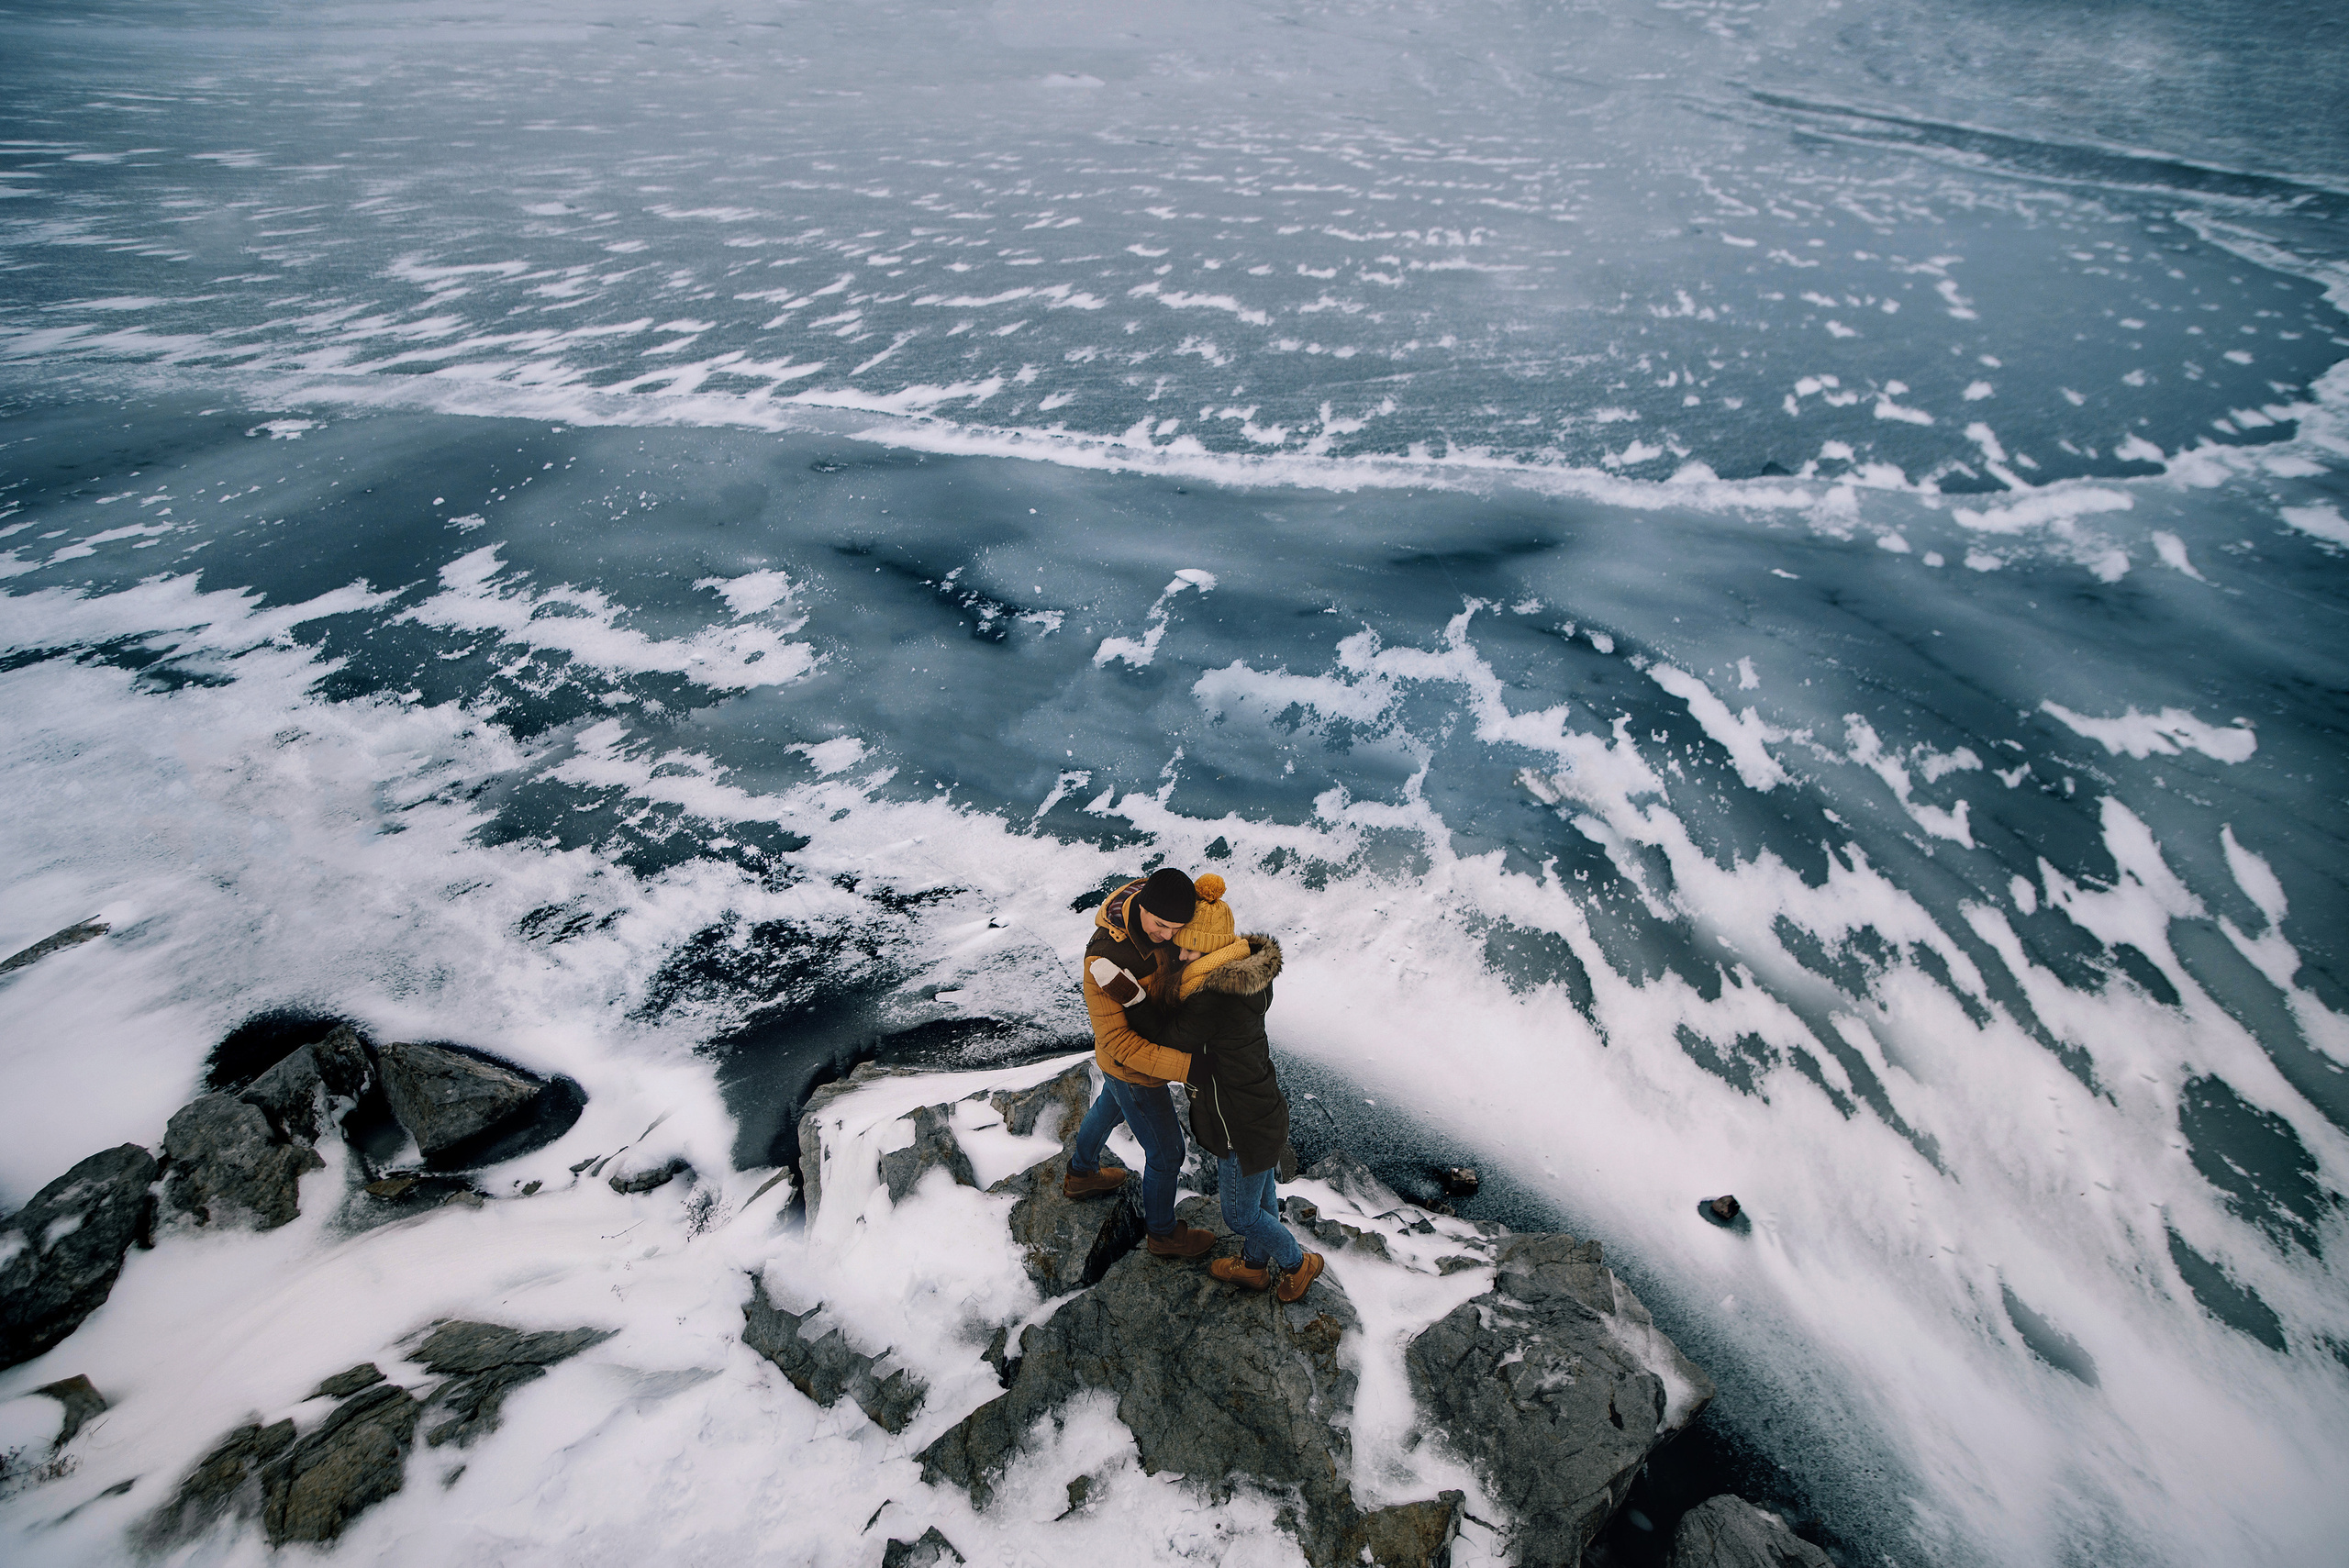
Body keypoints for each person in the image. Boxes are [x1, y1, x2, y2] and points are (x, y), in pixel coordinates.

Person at [1161, 876, 1324, 1302]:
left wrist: (1132, 995)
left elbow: (1170, 1036)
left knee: (1240, 1214)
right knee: (1264, 1195)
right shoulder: (1245, 984)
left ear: (1214, 952)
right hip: (1263, 1110)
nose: (1182, 955)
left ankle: (1296, 1263)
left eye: (1192, 949)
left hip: (1239, 1126)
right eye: (1182, 945)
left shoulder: (1212, 997)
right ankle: (1253, 1268)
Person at [1063, 867, 1217, 1258]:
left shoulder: (1162, 908)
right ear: (1143, 906)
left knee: (1108, 1108)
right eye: (1162, 926)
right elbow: (1118, 1040)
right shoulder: (1105, 957)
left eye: (1177, 928)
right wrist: (1188, 1068)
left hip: (1137, 1061)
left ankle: (1081, 1174)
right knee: (1167, 1154)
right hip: (1133, 1069)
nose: (1169, 936)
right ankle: (1163, 1235)